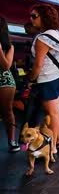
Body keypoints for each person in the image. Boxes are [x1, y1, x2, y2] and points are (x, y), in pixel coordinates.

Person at [29, 4, 59, 156]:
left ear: (44, 17)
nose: (31, 19)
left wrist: (31, 78)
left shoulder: (43, 38)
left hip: (46, 78)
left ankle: (52, 148)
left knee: (52, 114)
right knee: (56, 112)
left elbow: (38, 64)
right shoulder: (56, 34)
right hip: (57, 76)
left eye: (34, 16)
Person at [0, 15, 20, 153]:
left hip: (4, 80)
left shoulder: (9, 46)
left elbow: (6, 65)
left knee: (7, 111)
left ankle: (12, 140)